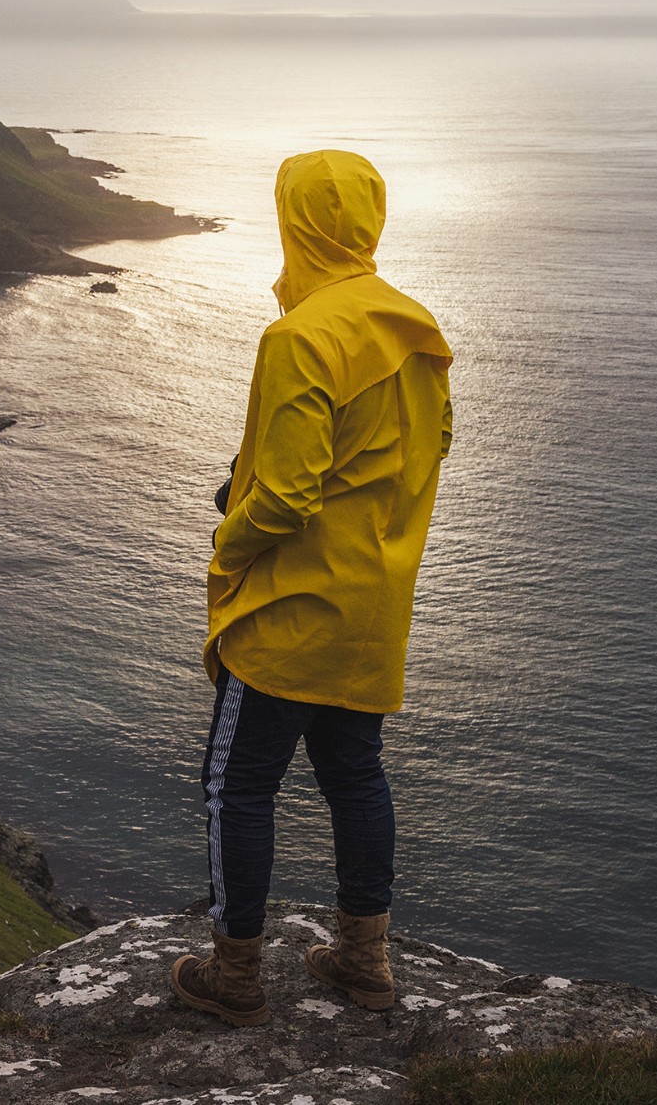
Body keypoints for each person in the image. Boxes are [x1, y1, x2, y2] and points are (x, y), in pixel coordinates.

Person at [170, 150, 454, 1027]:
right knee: (354, 775)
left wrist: (228, 534)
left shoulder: (301, 335)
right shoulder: (414, 327)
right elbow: (427, 451)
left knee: (238, 787)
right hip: (371, 609)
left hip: (290, 612)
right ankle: (365, 961)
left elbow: (288, 494)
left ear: (297, 222)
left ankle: (236, 976)